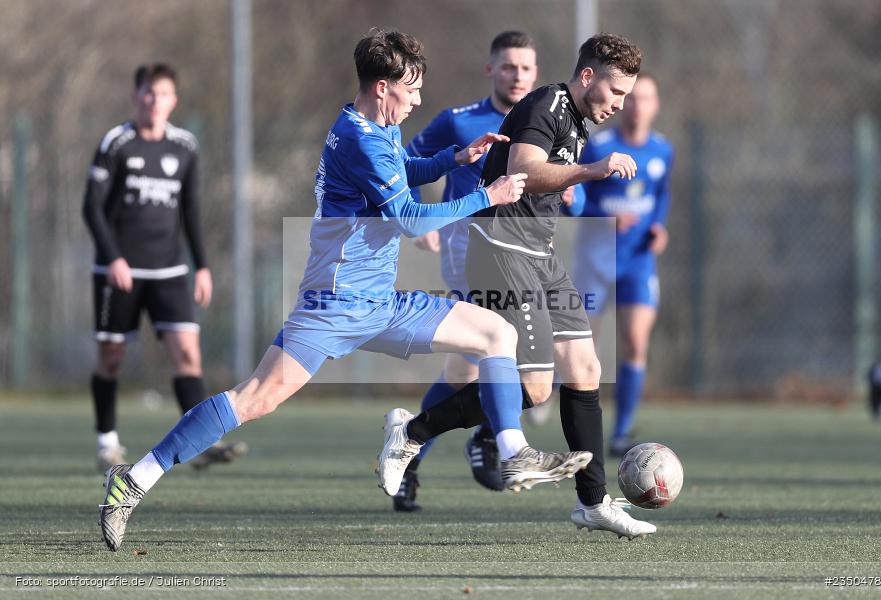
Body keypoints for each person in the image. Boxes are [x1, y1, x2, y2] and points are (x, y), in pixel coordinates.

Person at [96, 29, 592, 552]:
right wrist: (487, 194)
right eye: (412, 90)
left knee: (495, 333)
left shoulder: (376, 126)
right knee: (253, 400)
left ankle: (512, 450)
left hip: (381, 301)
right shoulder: (361, 137)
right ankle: (134, 479)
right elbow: (407, 217)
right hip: (334, 304)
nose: (419, 100)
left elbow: (401, 172)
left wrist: (455, 159)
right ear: (382, 87)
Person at [389, 33, 658, 539]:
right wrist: (592, 170)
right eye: (616, 92)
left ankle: (594, 502)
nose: (620, 105)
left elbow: (549, 180)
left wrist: (572, 183)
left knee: (585, 368)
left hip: (540, 253)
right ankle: (412, 433)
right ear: (587, 77)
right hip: (501, 251)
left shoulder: (576, 119)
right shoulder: (549, 104)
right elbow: (522, 170)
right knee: (534, 390)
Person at [392, 30, 540, 512]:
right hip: (468, 247)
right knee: (513, 350)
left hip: (521, 253)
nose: (518, 75)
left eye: (526, 67)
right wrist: (413, 219)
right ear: (491, 69)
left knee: (465, 367)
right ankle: (488, 438)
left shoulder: (543, 120)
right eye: (509, 66)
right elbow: (404, 163)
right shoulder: (459, 122)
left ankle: (412, 452)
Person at [82, 63, 246, 473]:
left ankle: (202, 441)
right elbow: (91, 207)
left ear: (174, 100)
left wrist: (203, 266)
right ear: (137, 96)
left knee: (188, 355)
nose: (156, 102)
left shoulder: (184, 146)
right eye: (149, 94)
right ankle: (108, 443)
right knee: (112, 357)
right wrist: (113, 257)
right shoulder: (117, 143)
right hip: (117, 271)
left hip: (170, 270)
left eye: (164, 95)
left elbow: (190, 211)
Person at [573, 73, 673, 456]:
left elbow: (660, 196)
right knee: (583, 348)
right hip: (595, 261)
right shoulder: (600, 146)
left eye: (646, 98)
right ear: (623, 102)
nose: (637, 105)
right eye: (631, 97)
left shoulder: (663, 150)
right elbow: (576, 196)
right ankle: (584, 426)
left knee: (635, 343)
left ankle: (621, 432)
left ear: (655, 105)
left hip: (638, 262)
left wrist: (659, 226)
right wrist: (605, 215)